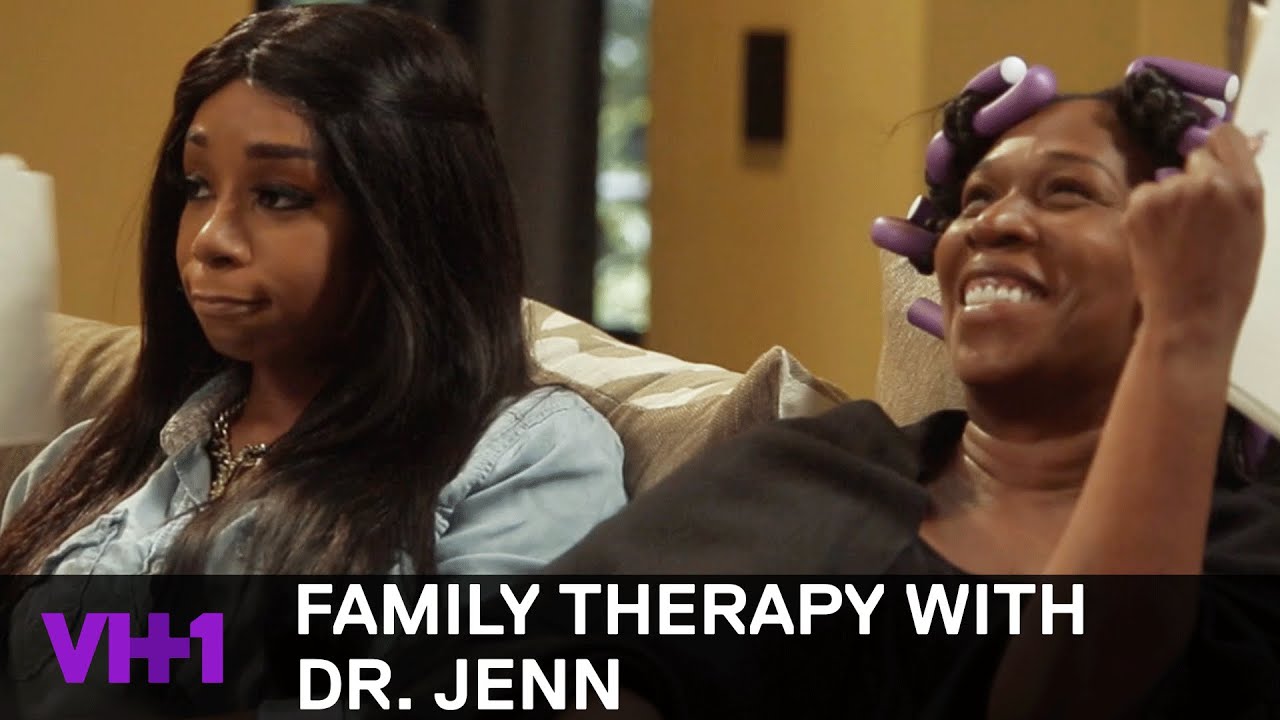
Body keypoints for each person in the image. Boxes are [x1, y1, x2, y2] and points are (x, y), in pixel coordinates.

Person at [517, 57, 1280, 718]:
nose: (992, 225)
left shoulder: (1242, 551)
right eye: (975, 200)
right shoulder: (814, 472)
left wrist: (1187, 332)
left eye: (1067, 192)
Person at [0, 3, 625, 577]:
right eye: (196, 186)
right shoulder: (83, 465)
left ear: (407, 222)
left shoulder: (524, 457)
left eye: (278, 196)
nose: (210, 240)